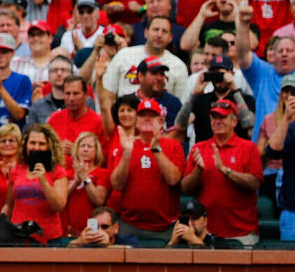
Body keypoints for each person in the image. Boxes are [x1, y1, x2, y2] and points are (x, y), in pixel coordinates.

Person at [180, 98, 263, 245]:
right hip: (207, 233)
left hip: (242, 234)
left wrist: (226, 171)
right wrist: (198, 171)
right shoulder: (199, 148)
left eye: (223, 117)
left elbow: (254, 183)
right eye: (214, 117)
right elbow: (185, 188)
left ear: (234, 122)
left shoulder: (249, 148)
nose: (218, 121)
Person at [108, 98, 185, 242]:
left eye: (152, 115)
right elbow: (117, 185)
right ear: (136, 121)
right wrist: (126, 154)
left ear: (161, 121)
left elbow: (173, 180)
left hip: (165, 227)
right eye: (143, 115)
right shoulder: (127, 146)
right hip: (129, 224)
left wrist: (156, 149)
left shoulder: (173, 146)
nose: (147, 119)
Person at [2, 123, 67, 244]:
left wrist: (43, 181)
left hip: (48, 238)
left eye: (41, 144)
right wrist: (1, 224)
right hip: (19, 236)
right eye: (32, 143)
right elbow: (9, 204)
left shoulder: (58, 171)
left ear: (49, 146)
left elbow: (59, 206)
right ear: (25, 145)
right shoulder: (16, 169)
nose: (36, 147)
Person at [67, 206, 137, 248]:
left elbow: (131, 249)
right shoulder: (89, 241)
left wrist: (107, 246)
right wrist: (80, 241)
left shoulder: (127, 240)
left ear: (116, 228)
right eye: (96, 227)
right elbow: (68, 248)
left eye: (104, 226)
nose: (100, 230)